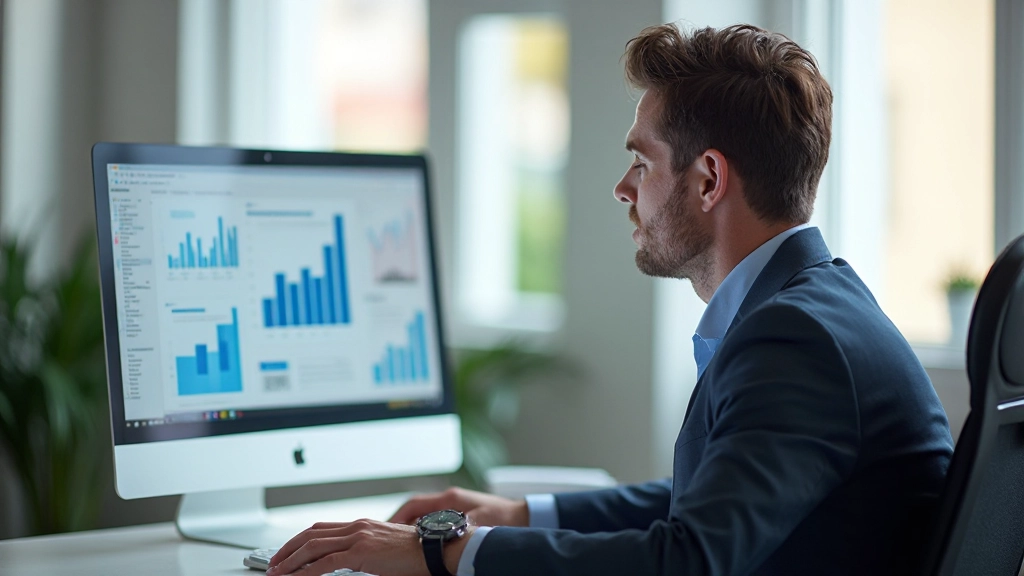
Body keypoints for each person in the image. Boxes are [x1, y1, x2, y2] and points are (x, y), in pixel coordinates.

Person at [266, 23, 954, 576]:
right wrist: (511, 516)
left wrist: (435, 552)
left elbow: (688, 557)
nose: (624, 190)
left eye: (642, 162)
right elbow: (702, 505)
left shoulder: (795, 341)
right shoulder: (813, 309)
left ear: (709, 179)